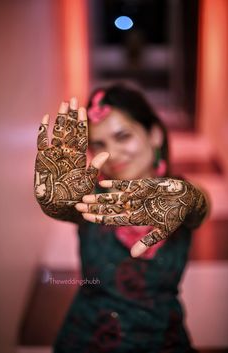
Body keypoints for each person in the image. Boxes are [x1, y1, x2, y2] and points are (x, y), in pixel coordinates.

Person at [34, 83, 208, 352]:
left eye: (123, 136)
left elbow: (202, 204)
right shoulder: (90, 196)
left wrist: (193, 200)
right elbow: (68, 207)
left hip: (161, 339)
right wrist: (56, 205)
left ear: (154, 135)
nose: (112, 154)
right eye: (99, 144)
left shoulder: (179, 194)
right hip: (86, 338)